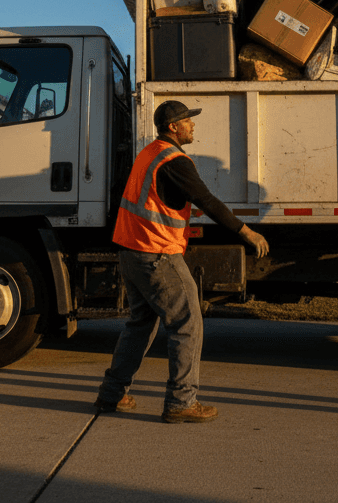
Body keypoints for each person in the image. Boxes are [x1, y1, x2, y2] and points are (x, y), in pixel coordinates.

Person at [95, 100, 270, 424]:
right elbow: (206, 200)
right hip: (156, 254)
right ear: (173, 126)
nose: (193, 125)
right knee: (188, 324)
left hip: (131, 252)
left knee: (139, 325)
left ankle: (112, 394)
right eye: (188, 121)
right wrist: (246, 232)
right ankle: (181, 402)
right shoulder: (175, 161)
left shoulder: (150, 152)